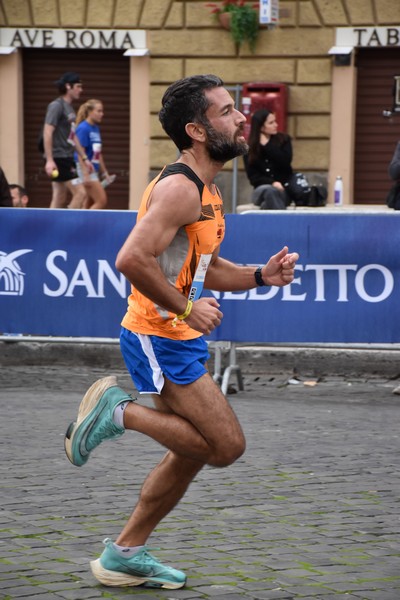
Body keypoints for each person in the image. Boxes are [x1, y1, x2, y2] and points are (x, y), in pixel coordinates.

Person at [64, 74, 299, 590]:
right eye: (225, 111)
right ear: (196, 129)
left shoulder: (207, 188)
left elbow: (204, 268)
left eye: (235, 110)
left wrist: (261, 275)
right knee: (226, 446)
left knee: (191, 454)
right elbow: (132, 258)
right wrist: (187, 309)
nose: (241, 118)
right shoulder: (178, 188)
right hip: (157, 335)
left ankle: (125, 553)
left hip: (176, 336)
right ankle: (118, 412)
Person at [42, 72, 92, 209]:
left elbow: (73, 136)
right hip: (59, 157)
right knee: (80, 193)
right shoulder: (56, 106)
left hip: (66, 156)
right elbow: (47, 131)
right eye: (78, 86)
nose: (81, 90)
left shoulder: (69, 108)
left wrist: (84, 157)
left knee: (59, 196)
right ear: (68, 86)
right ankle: (70, 224)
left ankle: (51, 226)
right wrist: (49, 160)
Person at [243, 108, 294, 210]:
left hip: (283, 190)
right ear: (261, 127)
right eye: (271, 123)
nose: (276, 125)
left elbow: (285, 161)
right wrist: (272, 183)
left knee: (267, 204)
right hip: (262, 190)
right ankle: (281, 222)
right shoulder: (250, 148)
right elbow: (253, 177)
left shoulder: (284, 140)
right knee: (270, 191)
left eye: (275, 121)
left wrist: (267, 145)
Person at [74, 99, 114, 209]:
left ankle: (82, 224)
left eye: (102, 111)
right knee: (101, 200)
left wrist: (104, 172)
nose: (102, 114)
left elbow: (98, 153)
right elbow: (79, 152)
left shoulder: (95, 128)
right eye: (99, 111)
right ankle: (87, 225)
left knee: (88, 202)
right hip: (86, 169)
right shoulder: (83, 128)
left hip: (93, 169)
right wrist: (85, 174)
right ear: (90, 112)